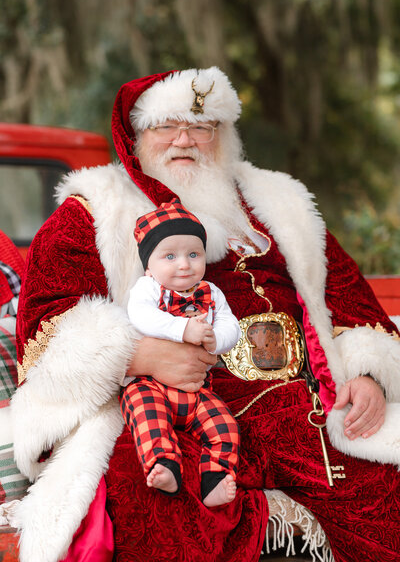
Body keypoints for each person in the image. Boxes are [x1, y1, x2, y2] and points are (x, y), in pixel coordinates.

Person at [6, 66, 400, 562]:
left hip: (306, 409)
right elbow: (47, 326)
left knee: (385, 491)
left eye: (201, 127)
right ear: (138, 137)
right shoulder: (94, 209)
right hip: (180, 411)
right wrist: (138, 355)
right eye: (166, 125)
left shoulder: (280, 202)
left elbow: (349, 301)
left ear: (224, 135)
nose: (183, 140)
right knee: (153, 497)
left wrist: (368, 375)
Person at [122, 198, 241, 506]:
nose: (184, 264)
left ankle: (215, 477)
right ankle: (163, 465)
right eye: (170, 256)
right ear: (149, 265)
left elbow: (231, 323)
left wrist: (217, 339)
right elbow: (140, 316)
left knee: (224, 426)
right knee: (146, 414)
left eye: (193, 254)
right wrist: (184, 330)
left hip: (196, 389)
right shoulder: (147, 289)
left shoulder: (211, 293)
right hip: (151, 383)